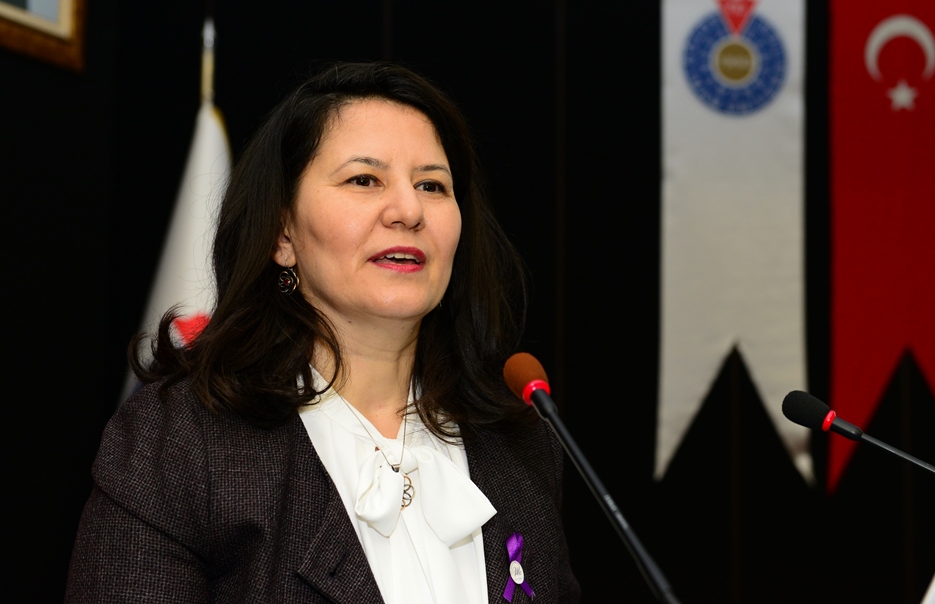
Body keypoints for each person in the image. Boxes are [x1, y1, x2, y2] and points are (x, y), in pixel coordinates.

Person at [66, 62, 580, 603]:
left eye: (432, 185)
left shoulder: (520, 445)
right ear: (282, 233)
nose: (409, 210)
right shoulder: (183, 442)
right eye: (364, 180)